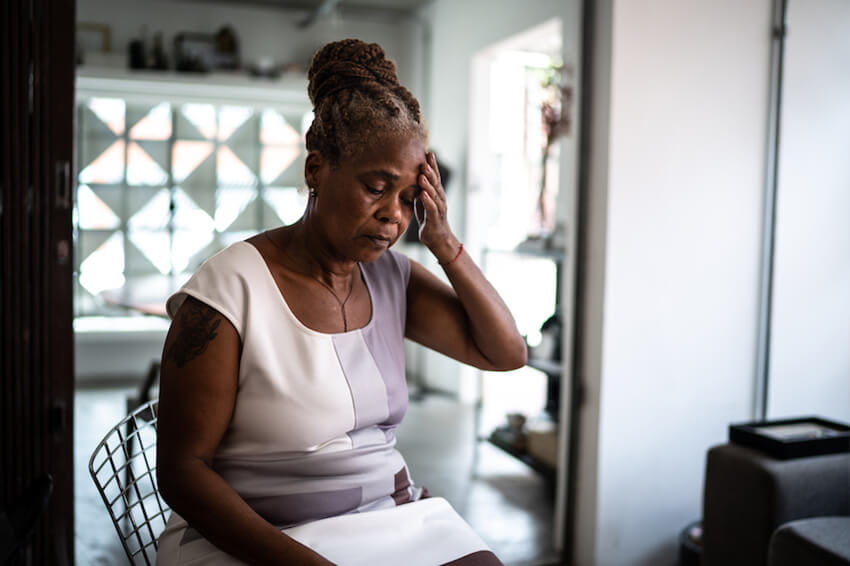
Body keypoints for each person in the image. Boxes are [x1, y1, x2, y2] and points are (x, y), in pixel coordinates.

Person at [155, 38, 527, 566]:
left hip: (382, 518)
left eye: (408, 198)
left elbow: (506, 353)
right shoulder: (229, 292)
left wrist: (443, 243)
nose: (393, 216)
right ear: (315, 170)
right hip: (259, 535)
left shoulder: (391, 277)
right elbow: (183, 472)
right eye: (377, 187)